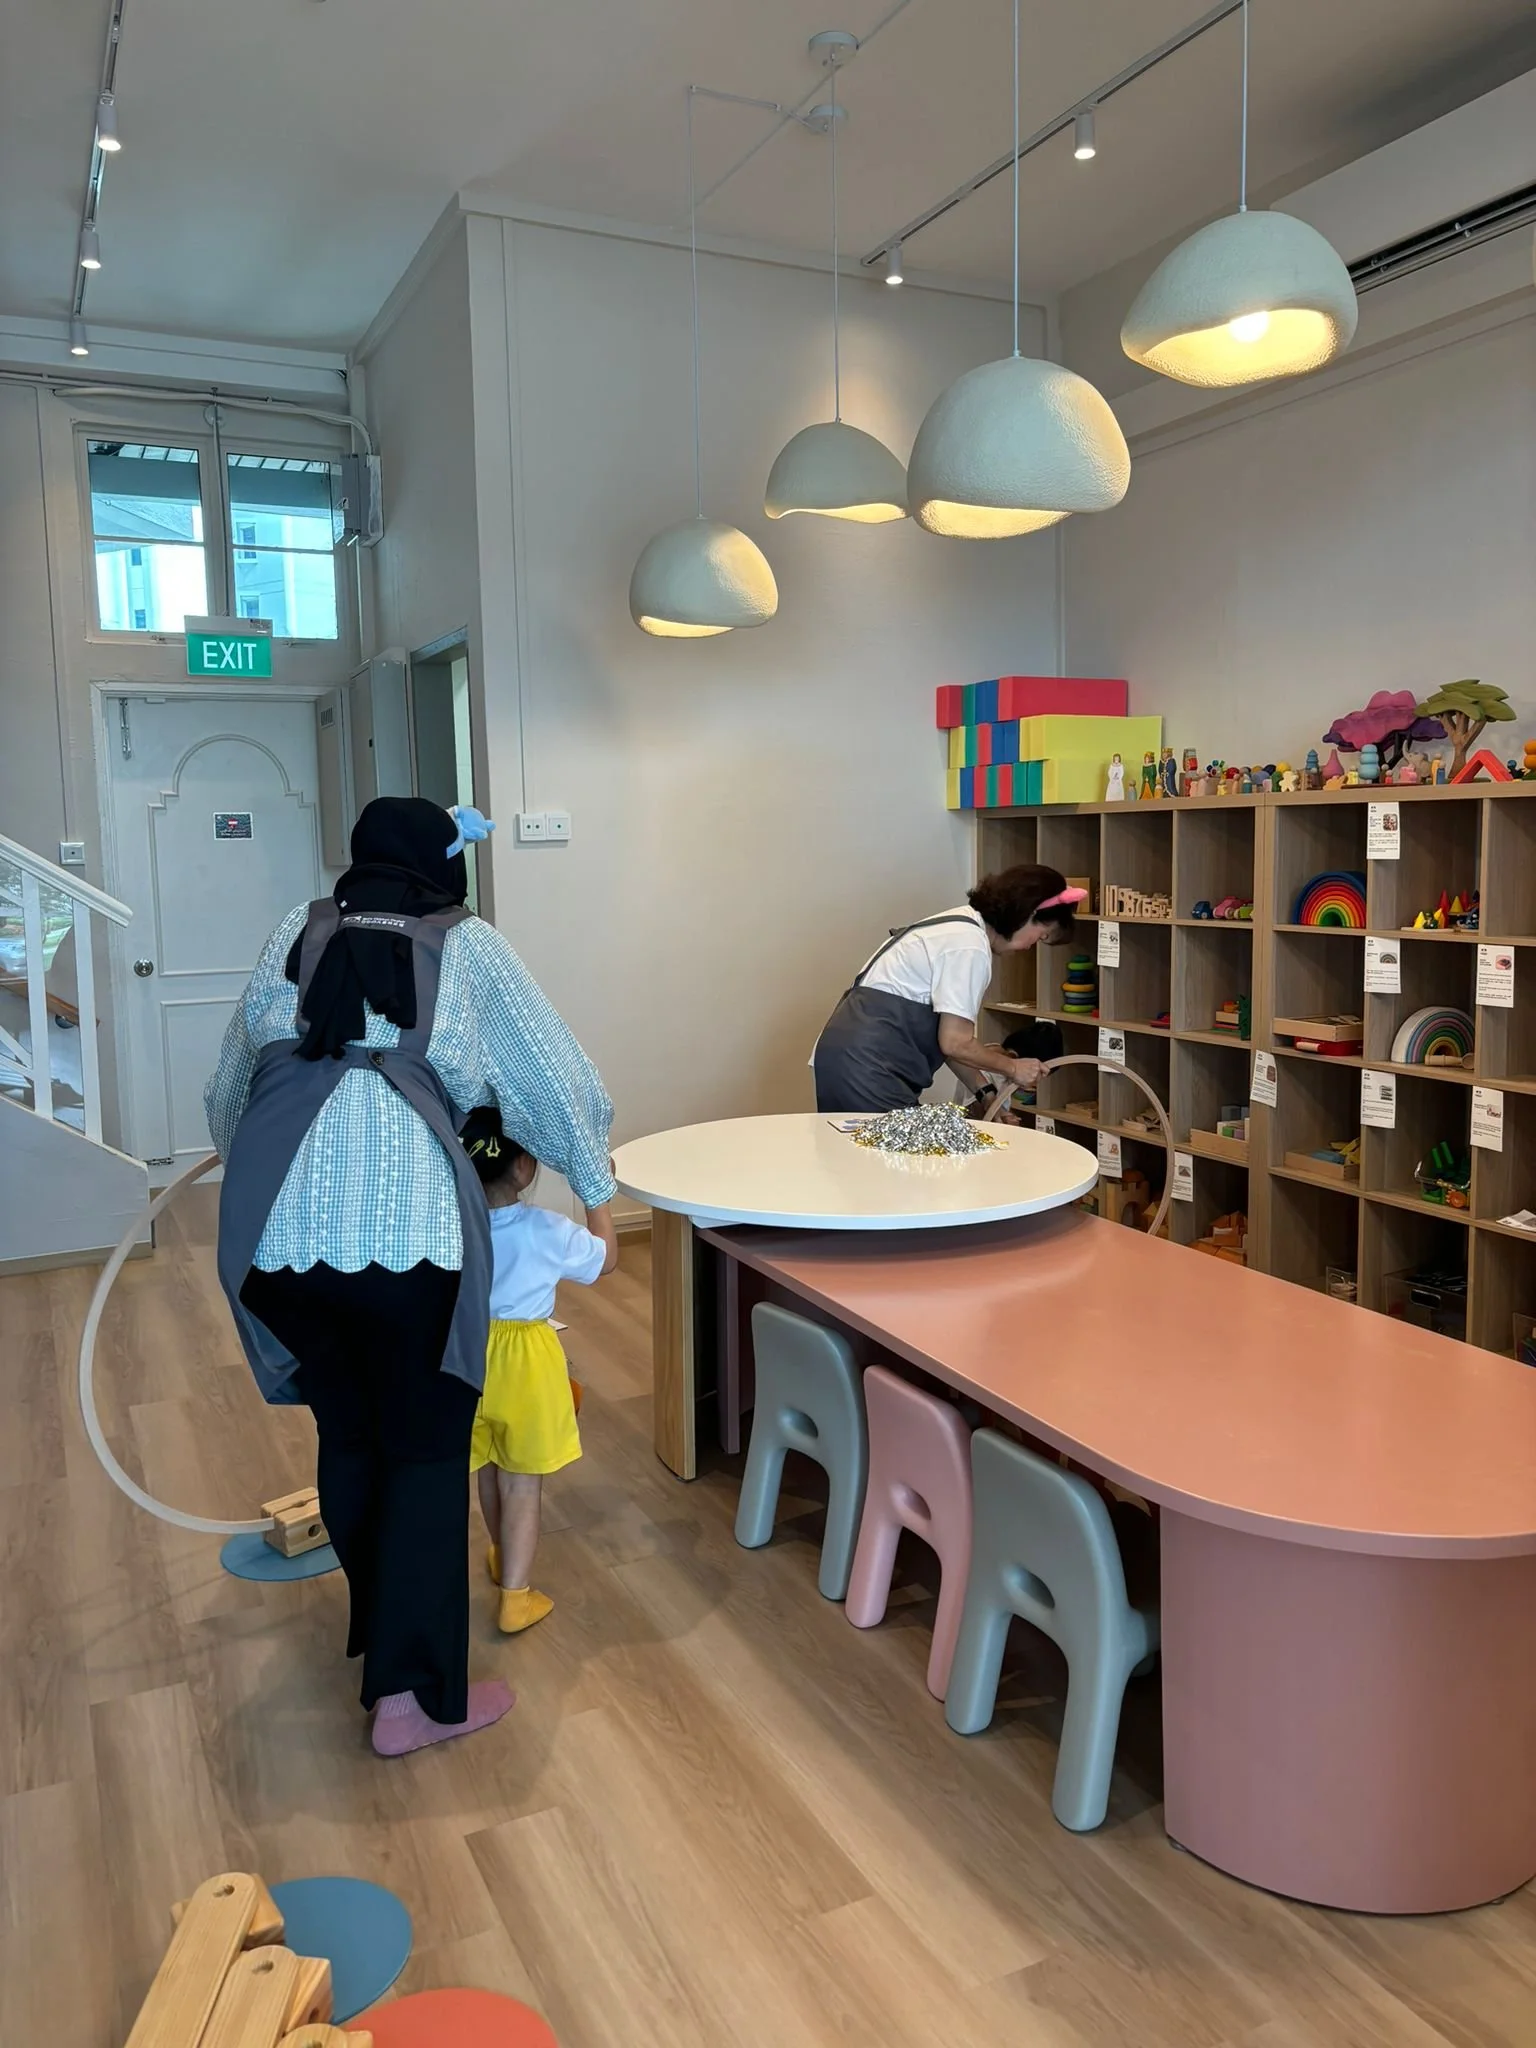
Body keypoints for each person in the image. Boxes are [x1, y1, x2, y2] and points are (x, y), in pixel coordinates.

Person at [204, 796, 616, 1758]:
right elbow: (555, 1082)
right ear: (444, 864)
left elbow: (231, 1085)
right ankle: (417, 1701)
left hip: (281, 1245)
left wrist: (261, 1172)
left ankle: (377, 1637)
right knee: (429, 1458)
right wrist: (597, 1189)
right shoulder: (469, 945)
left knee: (351, 1439)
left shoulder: (293, 934)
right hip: (416, 1247)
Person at [460, 1106, 617, 1634]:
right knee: (522, 1484)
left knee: (486, 1466)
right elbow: (606, 1260)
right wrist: (597, 1195)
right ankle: (515, 1597)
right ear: (524, 1168)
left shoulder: (454, 1224)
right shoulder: (546, 1229)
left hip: (466, 1357)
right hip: (527, 1362)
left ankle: (503, 1556)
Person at [812, 865, 1084, 1115]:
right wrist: (1014, 1068)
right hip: (869, 1066)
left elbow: (950, 1045)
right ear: (1028, 914)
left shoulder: (959, 925)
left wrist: (986, 1093)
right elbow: (956, 1042)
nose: (1030, 946)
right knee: (893, 1161)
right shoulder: (969, 946)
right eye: (1042, 935)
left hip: (848, 1058)